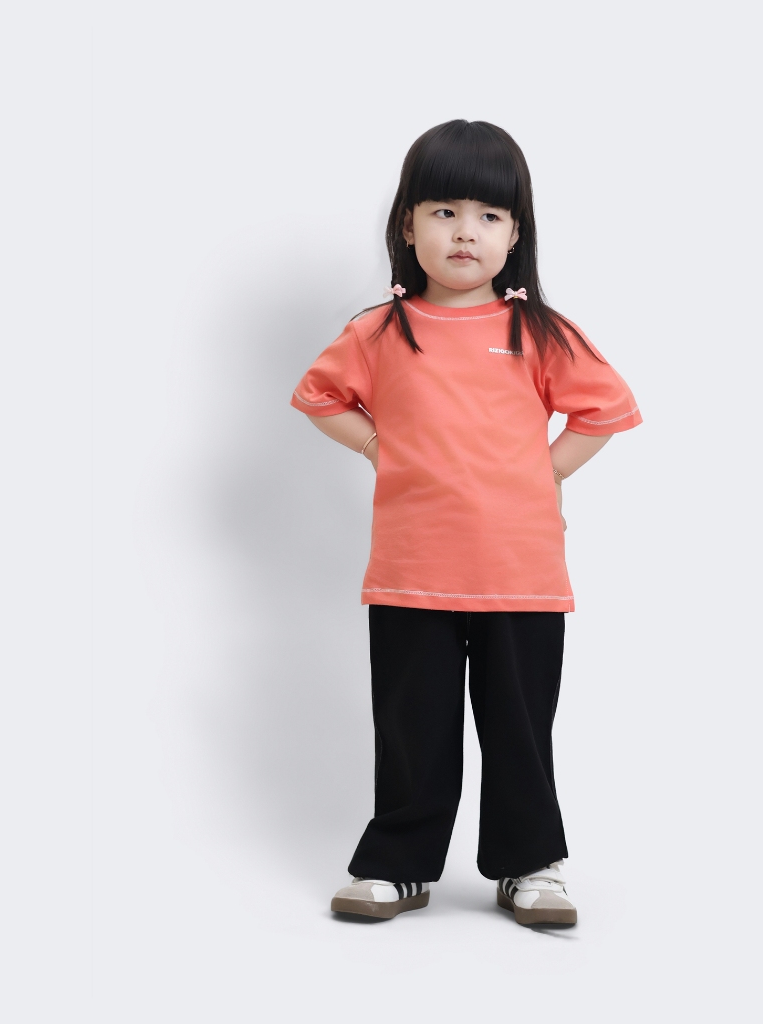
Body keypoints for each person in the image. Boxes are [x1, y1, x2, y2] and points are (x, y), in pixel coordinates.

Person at [291, 120, 641, 926]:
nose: (464, 232)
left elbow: (605, 409)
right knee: (413, 729)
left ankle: (531, 865)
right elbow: (319, 397)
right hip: (411, 574)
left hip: (521, 576)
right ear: (407, 225)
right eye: (444, 212)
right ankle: (398, 865)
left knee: (519, 728)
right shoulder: (380, 332)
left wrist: (545, 474)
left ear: (515, 234)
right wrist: (376, 445)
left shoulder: (538, 332)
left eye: (488, 215)